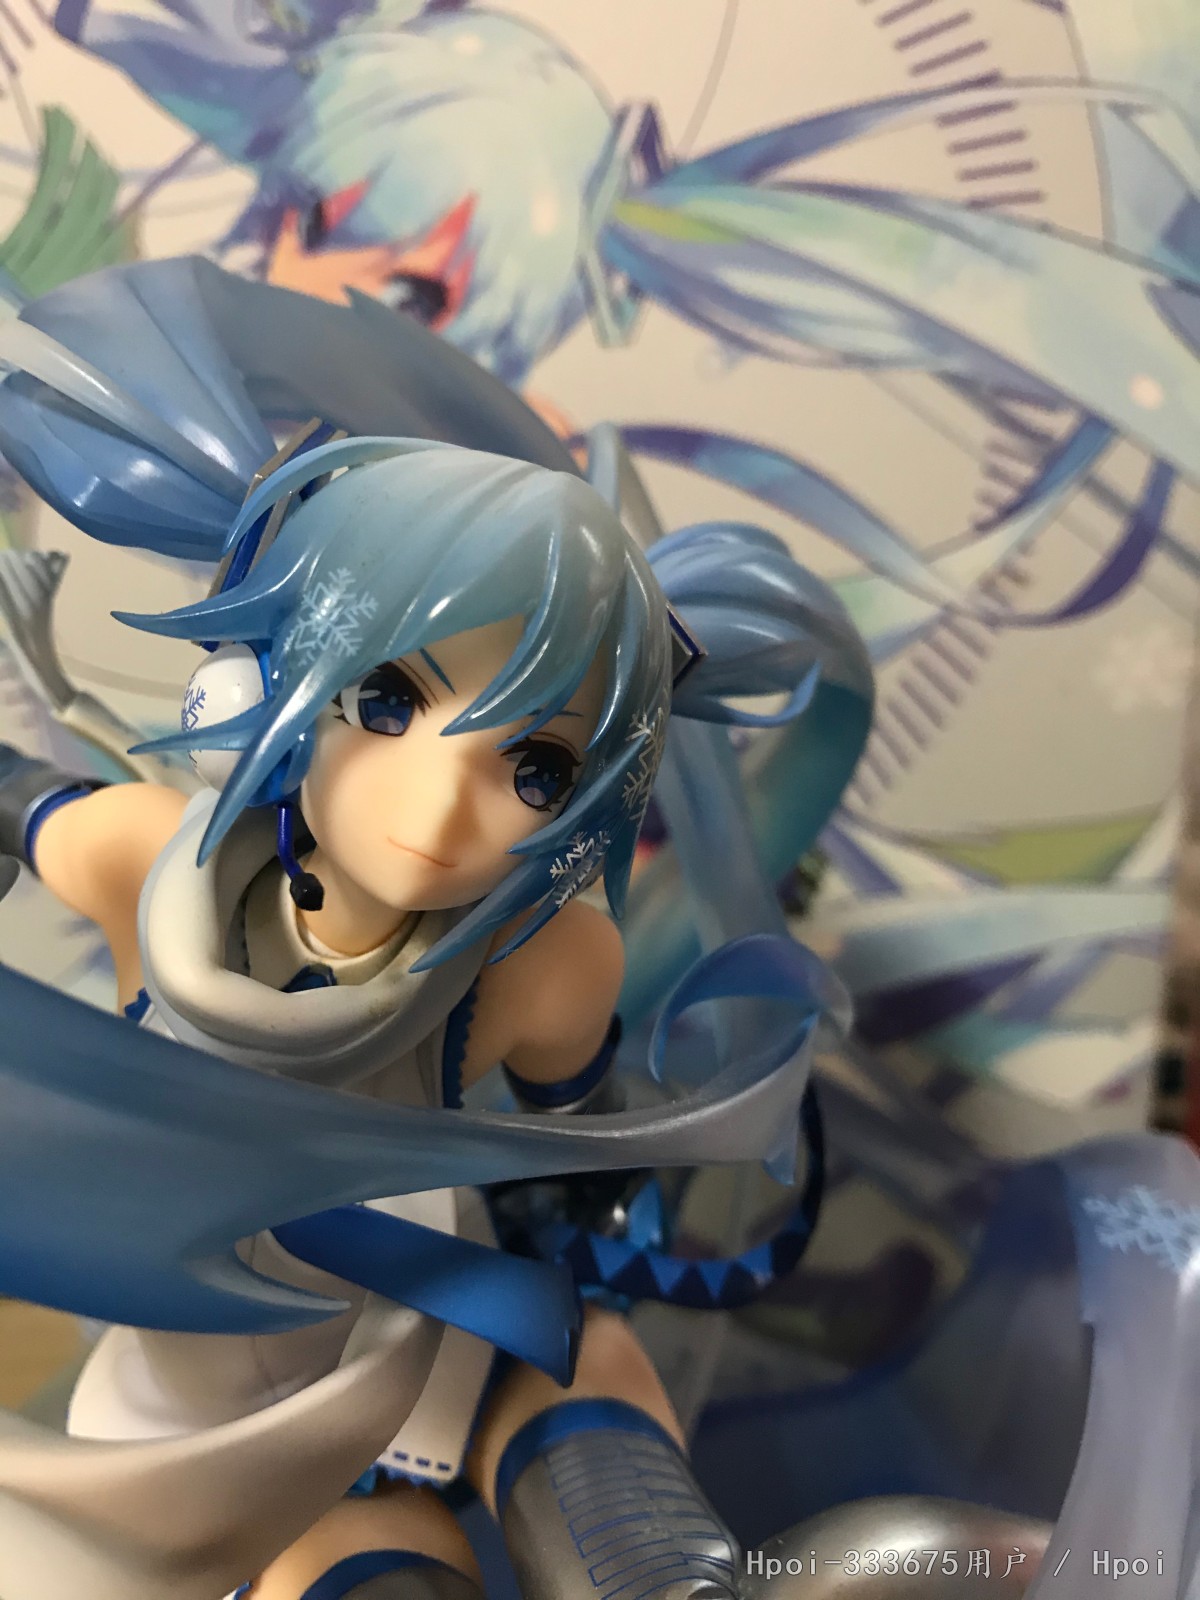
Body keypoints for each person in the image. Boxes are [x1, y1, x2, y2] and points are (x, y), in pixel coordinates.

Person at [0, 256, 871, 1600]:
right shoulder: (143, 859)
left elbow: (569, 1177)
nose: (444, 804)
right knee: (378, 1571)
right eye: (390, 702)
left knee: (603, 1441)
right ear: (261, 678)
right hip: (214, 1383)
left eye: (538, 767)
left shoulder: (542, 960)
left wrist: (592, 1297)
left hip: (435, 1321)